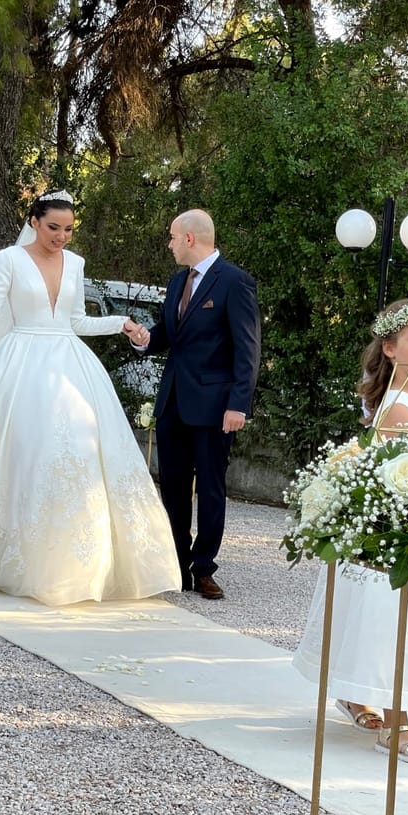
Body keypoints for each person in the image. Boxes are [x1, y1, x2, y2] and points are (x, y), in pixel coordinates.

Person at [0, 190, 181, 604]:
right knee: (19, 454)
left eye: (69, 230)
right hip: (18, 363)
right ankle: (1, 555)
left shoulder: (74, 264)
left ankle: (70, 566)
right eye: (54, 227)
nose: (61, 237)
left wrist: (120, 323)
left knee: (76, 449)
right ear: (35, 222)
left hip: (70, 364)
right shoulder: (9, 259)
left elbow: (74, 321)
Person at [291, 299, 408, 764]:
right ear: (390, 348)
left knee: (401, 623)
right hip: (397, 529)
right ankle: (396, 723)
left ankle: (356, 698)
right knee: (395, 624)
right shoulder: (399, 408)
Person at [139, 209, 261, 599]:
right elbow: (169, 336)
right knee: (172, 488)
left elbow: (248, 348)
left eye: (173, 237)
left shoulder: (235, 282)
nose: (169, 244)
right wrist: (143, 338)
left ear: (190, 238)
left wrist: (238, 404)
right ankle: (177, 565)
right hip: (173, 402)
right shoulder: (178, 283)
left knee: (210, 488)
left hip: (215, 406)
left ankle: (204, 567)